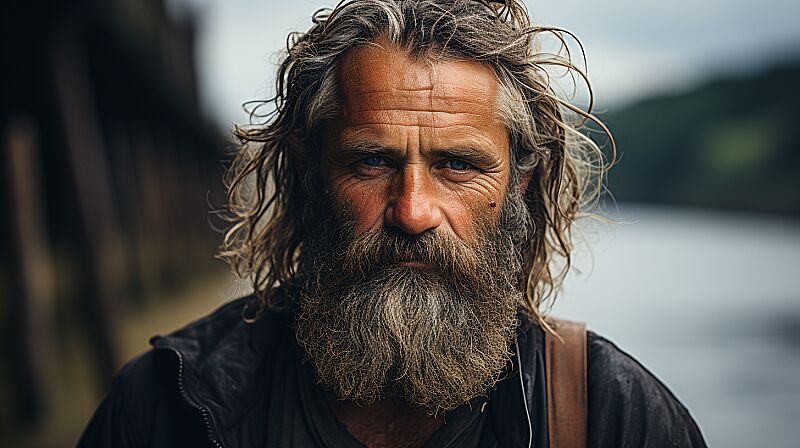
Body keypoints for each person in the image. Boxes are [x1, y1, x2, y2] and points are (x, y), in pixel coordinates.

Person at [77, 0, 707, 446]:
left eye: (458, 164)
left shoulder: (614, 421)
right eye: (370, 161)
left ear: (519, 182)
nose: (412, 211)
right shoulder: (168, 407)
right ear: (307, 173)